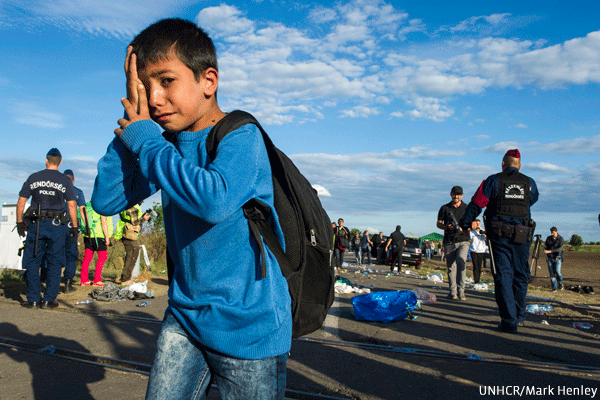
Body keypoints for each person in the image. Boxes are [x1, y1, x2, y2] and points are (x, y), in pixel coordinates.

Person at [91, 18, 291, 399]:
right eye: (144, 87)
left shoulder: (240, 135)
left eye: (166, 82)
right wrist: (133, 125)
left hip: (247, 324)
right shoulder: (165, 145)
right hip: (184, 316)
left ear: (208, 81)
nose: (154, 98)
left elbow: (213, 200)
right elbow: (107, 199)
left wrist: (146, 140)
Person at [460, 149, 538, 333]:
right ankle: (519, 315)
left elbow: (477, 203)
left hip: (500, 236)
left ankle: (509, 320)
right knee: (520, 274)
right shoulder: (530, 182)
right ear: (519, 166)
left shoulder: (493, 180)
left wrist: (465, 222)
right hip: (522, 235)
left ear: (503, 164)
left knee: (503, 275)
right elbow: (532, 200)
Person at [16, 148, 78, 309]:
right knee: (55, 262)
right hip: (57, 226)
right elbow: (72, 204)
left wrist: (19, 222)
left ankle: (33, 299)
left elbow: (21, 201)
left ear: (46, 160)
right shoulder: (65, 181)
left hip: (36, 224)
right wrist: (75, 226)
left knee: (33, 261)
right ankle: (49, 299)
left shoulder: (34, 177)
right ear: (60, 162)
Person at [437, 186, 470, 300]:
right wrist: (447, 227)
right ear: (450, 194)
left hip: (463, 240)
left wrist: (464, 229)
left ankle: (461, 291)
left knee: (461, 263)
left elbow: (473, 223)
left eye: (458, 194)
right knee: (451, 267)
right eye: (454, 194)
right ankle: (452, 292)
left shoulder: (467, 208)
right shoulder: (445, 208)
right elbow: (438, 223)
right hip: (449, 241)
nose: (456, 196)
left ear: (462, 195)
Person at [61, 169, 87, 293]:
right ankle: (67, 283)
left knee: (52, 252)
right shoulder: (78, 192)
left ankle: (48, 279)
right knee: (71, 254)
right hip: (71, 226)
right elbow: (82, 210)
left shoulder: (58, 190)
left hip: (56, 225)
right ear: (74, 179)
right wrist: (86, 226)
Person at [113, 203, 150, 286]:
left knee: (131, 256)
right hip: (129, 234)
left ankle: (125, 277)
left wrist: (140, 215)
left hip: (126, 233)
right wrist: (144, 219)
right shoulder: (132, 206)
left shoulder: (126, 204)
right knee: (131, 256)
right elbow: (135, 222)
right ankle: (125, 279)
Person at [79, 202, 112, 286]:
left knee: (87, 257)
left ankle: (84, 280)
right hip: (99, 236)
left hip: (88, 235)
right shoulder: (101, 206)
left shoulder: (88, 205)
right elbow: (104, 222)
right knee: (103, 256)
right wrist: (107, 237)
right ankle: (97, 280)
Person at [544, 227, 564, 291]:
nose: (552, 233)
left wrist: (550, 251)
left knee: (558, 272)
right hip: (550, 258)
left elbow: (560, 249)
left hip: (557, 257)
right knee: (552, 274)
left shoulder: (560, 239)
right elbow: (546, 246)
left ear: (556, 231)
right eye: (551, 232)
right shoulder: (548, 238)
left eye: (553, 232)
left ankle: (560, 282)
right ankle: (554, 288)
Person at [469, 219, 488, 284]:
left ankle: (478, 279)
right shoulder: (472, 232)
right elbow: (470, 239)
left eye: (478, 224)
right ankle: (476, 280)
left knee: (479, 266)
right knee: (475, 266)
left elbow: (486, 238)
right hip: (473, 250)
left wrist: (483, 233)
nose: (477, 225)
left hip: (481, 250)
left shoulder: (482, 230)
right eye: (476, 223)